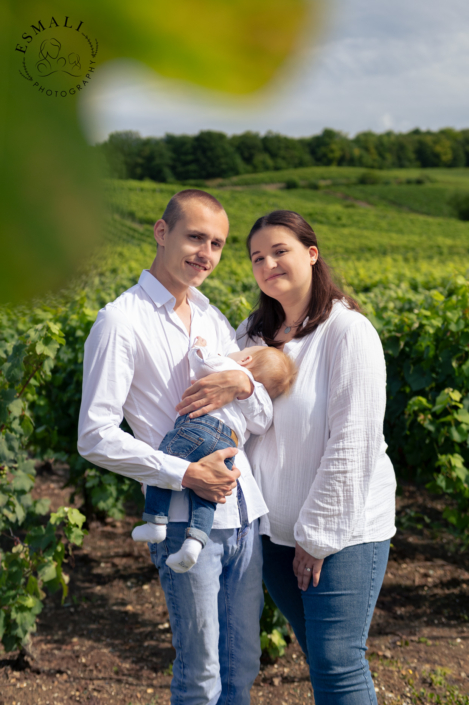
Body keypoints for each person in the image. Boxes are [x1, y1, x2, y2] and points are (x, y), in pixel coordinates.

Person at [77, 190, 274, 705]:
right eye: (195, 237)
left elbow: (255, 419)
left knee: (243, 664)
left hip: (245, 514)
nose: (205, 253)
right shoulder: (120, 321)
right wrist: (184, 474)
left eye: (217, 243)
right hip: (187, 520)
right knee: (201, 673)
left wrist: (244, 386)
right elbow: (94, 435)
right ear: (162, 233)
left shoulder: (212, 319)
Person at [236, 210, 397, 705]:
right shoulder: (251, 335)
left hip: (341, 534)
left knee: (338, 663)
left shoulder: (348, 332)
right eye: (258, 257)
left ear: (311, 253)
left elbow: (354, 441)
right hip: (273, 532)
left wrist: (318, 537)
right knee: (321, 657)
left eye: (280, 251)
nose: (268, 264)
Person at [132, 336, 296, 574]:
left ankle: (156, 521)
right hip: (229, 443)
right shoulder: (255, 394)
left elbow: (202, 364)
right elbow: (261, 425)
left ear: (247, 359)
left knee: (166, 458)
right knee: (209, 493)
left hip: (201, 427)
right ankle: (195, 542)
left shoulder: (230, 368)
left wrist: (199, 348)